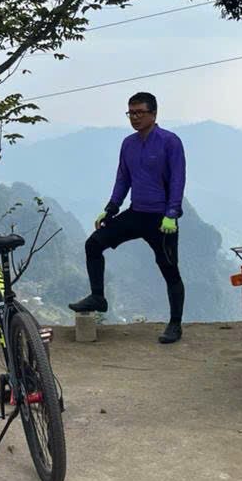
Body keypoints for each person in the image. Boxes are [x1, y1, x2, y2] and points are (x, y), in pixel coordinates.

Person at [69, 92, 186, 344]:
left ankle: (175, 324)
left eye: (140, 113)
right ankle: (98, 296)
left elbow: (178, 180)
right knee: (94, 244)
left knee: (169, 270)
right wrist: (111, 208)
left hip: (161, 219)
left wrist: (171, 213)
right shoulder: (128, 144)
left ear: (153, 114)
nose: (134, 117)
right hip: (136, 212)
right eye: (130, 113)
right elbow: (123, 178)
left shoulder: (170, 142)